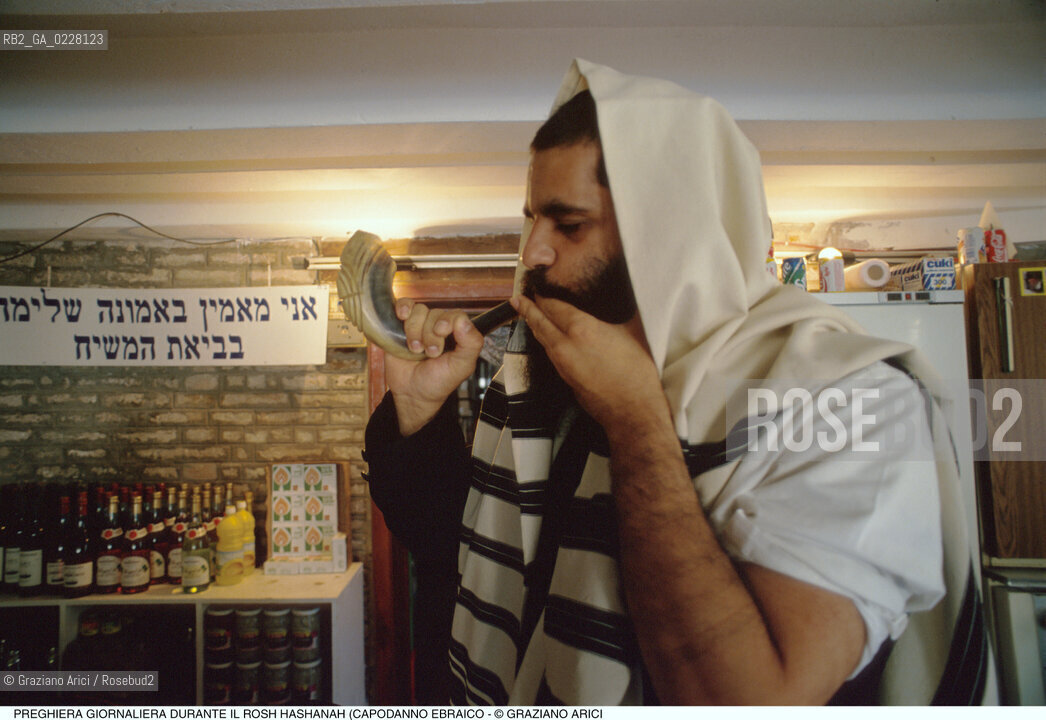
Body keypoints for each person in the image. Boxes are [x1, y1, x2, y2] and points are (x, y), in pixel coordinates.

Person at [365, 60, 975, 705]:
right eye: (533, 220)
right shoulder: (543, 371)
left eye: (568, 225)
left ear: (671, 232)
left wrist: (636, 420)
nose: (532, 253)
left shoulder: (851, 399)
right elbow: (458, 553)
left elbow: (747, 701)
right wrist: (419, 406)